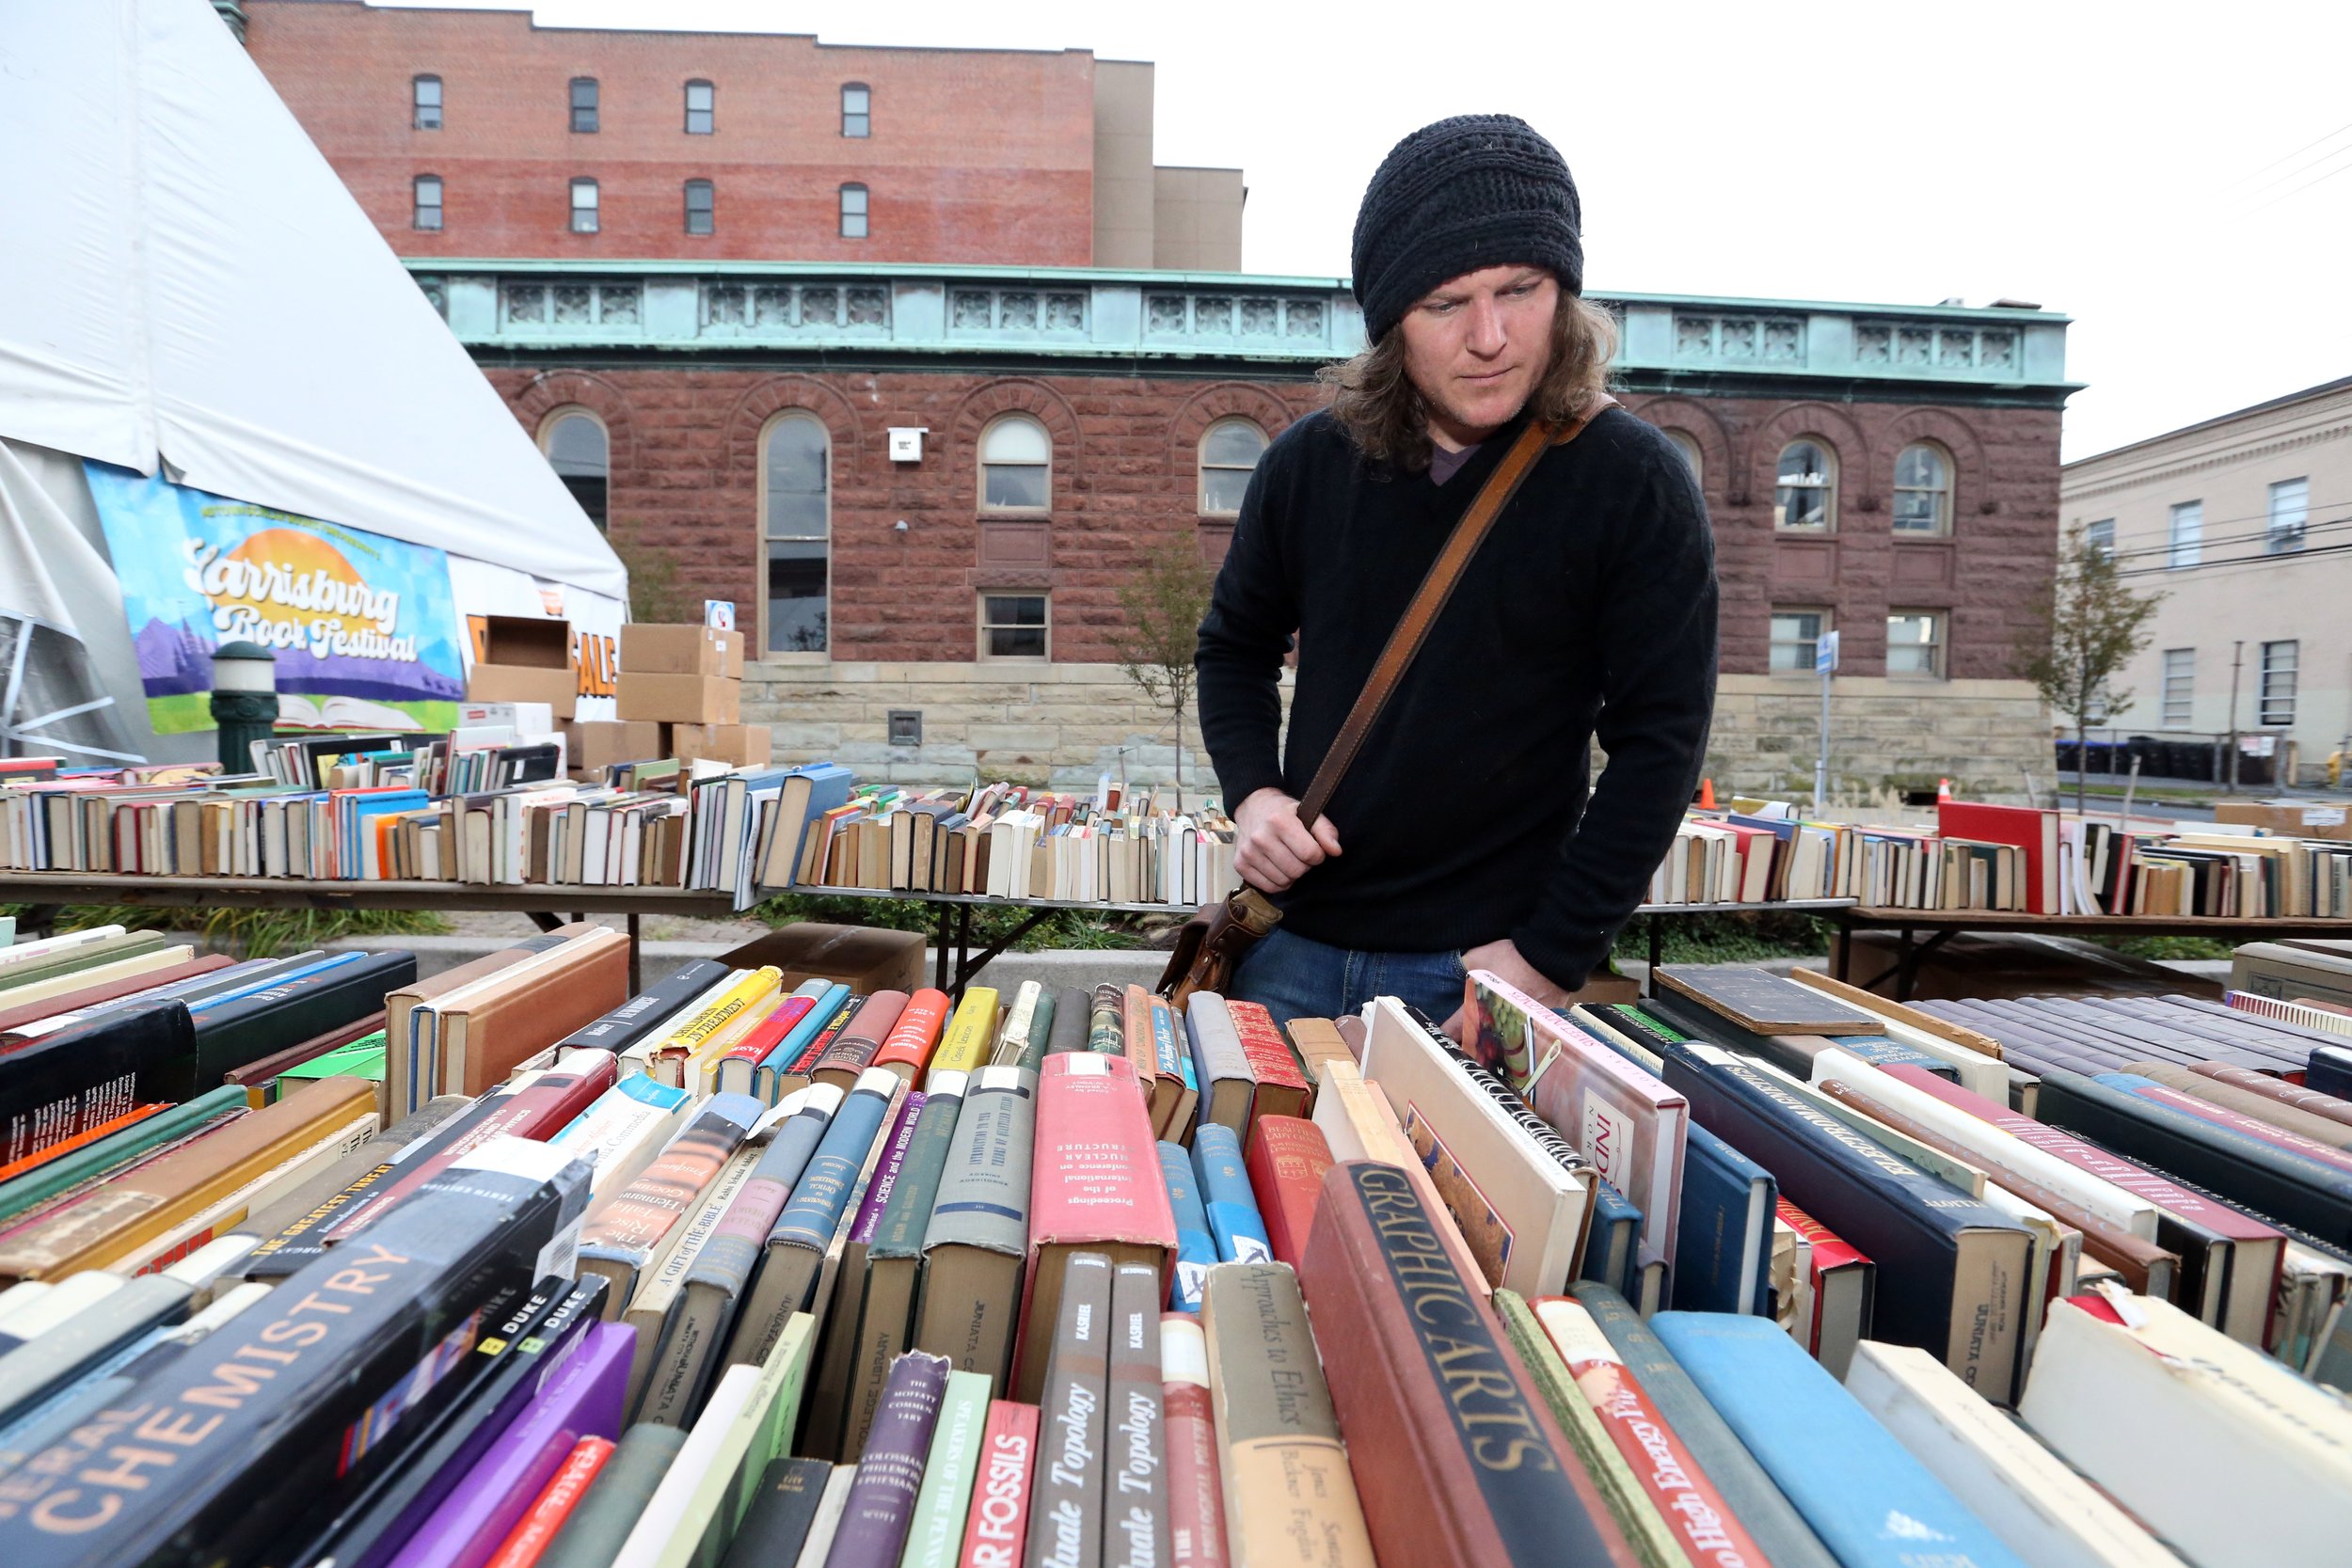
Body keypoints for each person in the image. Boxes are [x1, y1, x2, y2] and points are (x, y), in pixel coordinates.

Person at [1194, 113, 1718, 1032]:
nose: (1491, 336)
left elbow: (1661, 739)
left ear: (1564, 292)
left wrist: (1545, 959)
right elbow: (1233, 645)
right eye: (1445, 304)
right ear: (1391, 321)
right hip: (1285, 946)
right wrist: (1255, 790)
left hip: (1480, 970)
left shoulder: (1631, 480)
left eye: (1520, 289)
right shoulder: (1308, 463)